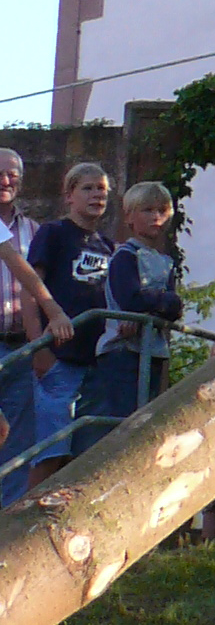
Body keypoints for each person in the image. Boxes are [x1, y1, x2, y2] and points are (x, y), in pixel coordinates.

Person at [65, 178, 185, 455]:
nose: (155, 217)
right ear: (130, 216)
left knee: (145, 420)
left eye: (161, 211)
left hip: (152, 351)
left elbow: (175, 305)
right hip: (122, 351)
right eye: (147, 210)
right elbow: (131, 298)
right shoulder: (125, 256)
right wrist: (159, 304)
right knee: (117, 422)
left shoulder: (165, 262)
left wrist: (159, 305)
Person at [21, 162, 116, 483]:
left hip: (95, 362)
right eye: (88, 188)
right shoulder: (54, 233)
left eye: (102, 189)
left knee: (85, 455)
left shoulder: (108, 245)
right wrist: (38, 348)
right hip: (60, 358)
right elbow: (30, 290)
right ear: (69, 195)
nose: (96, 195)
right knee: (52, 450)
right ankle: (24, 523)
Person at [0, 147, 75, 500]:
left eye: (11, 174)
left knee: (19, 440)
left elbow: (25, 273)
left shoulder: (31, 230)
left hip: (19, 342)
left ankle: (8, 527)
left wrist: (53, 315)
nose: (4, 180)